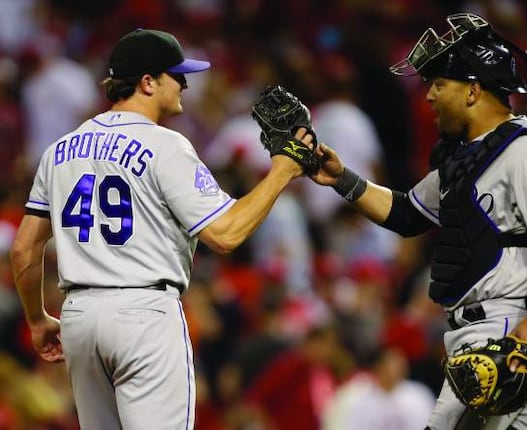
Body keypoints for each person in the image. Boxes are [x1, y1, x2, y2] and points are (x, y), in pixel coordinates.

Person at [9, 28, 310, 429]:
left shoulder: (60, 150)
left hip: (79, 316)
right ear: (147, 82)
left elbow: (24, 250)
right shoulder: (166, 145)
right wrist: (282, 170)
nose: (185, 82)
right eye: (176, 74)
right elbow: (225, 234)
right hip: (143, 314)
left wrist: (37, 319)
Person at [307, 13, 527, 430]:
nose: (430, 97)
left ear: (473, 90)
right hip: (480, 332)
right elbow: (407, 214)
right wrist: (343, 180)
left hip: (508, 331)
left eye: (440, 84)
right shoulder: (464, 160)